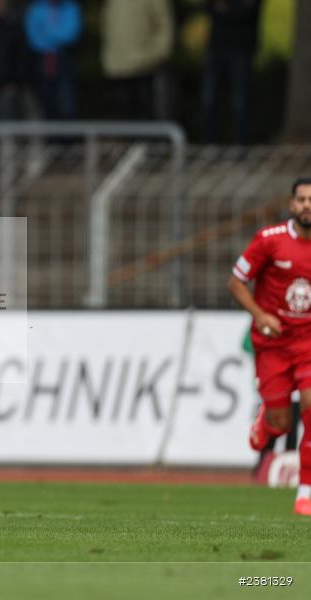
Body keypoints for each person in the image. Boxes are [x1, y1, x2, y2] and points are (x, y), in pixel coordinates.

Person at [228, 177, 311, 516]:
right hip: (273, 345)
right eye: (302, 200)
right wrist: (261, 315)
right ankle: (267, 424)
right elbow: (236, 282)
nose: (308, 205)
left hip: (307, 342)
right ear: (291, 205)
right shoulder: (269, 241)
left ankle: (305, 492)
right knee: (281, 422)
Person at [101, 0, 173, 120]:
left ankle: (146, 138)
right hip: (117, 66)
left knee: (145, 114)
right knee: (121, 116)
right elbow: (107, 23)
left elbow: (164, 25)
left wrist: (158, 54)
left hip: (145, 65)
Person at [201, 0, 261, 145]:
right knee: (209, 99)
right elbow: (208, 7)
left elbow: (246, 13)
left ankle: (242, 148)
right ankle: (211, 146)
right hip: (216, 48)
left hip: (242, 49)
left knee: (240, 102)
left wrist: (225, 9)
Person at [24, 0, 81, 120]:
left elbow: (71, 35)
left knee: (67, 105)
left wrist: (46, 32)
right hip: (42, 60)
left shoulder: (71, 7)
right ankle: (50, 137)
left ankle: (67, 138)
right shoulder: (36, 8)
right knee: (45, 104)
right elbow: (33, 38)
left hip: (64, 59)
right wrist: (57, 33)